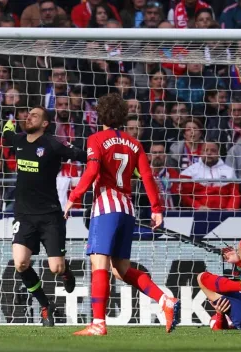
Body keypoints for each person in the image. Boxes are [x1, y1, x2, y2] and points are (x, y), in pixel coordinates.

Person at [63, 93, 179, 336]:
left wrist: (73, 197)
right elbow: (147, 177)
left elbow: (93, 170)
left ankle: (98, 324)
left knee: (99, 264)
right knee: (122, 270)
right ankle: (165, 300)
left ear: (100, 116)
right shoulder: (135, 143)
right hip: (127, 209)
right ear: (123, 117)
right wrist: (157, 209)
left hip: (105, 207)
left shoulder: (96, 138)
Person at [2, 106, 87, 327]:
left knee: (55, 268)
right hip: (24, 214)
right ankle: (44, 305)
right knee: (21, 263)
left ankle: (67, 273)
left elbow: (81, 155)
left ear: (45, 124)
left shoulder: (53, 144)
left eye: (35, 116)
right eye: (28, 115)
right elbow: (6, 137)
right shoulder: (19, 140)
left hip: (50, 215)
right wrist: (7, 126)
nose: (28, 117)